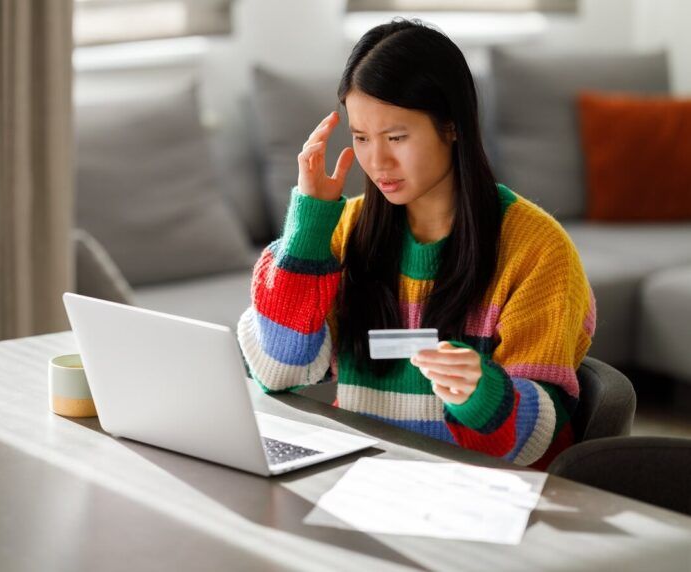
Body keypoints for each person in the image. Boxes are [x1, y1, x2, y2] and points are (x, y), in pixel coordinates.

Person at [237, 19, 596, 469]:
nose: (377, 161)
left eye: (397, 138)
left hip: (479, 492)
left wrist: (484, 396)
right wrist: (308, 227)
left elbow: (537, 441)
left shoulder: (536, 248)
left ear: (451, 126)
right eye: (362, 138)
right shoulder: (346, 230)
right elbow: (275, 373)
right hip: (364, 477)